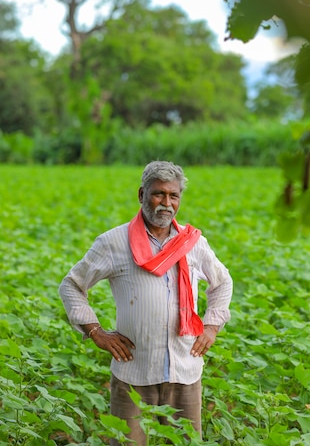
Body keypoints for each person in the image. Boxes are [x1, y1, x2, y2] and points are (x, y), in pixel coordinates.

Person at [59, 160, 233, 445]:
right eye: (158, 194)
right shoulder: (114, 242)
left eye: (173, 196)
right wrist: (95, 331)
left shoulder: (193, 243)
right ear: (141, 195)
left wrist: (212, 326)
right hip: (133, 370)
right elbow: (71, 285)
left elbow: (223, 282)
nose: (166, 203)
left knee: (185, 442)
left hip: (184, 369)